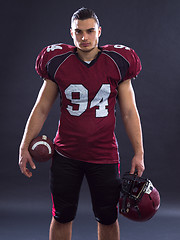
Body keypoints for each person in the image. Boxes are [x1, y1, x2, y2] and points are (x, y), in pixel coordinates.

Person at [19, 7, 145, 240]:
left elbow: (129, 112)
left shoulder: (117, 61)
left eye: (89, 31)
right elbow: (42, 107)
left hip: (104, 155)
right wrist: (24, 145)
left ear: (99, 31)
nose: (84, 37)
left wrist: (139, 152)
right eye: (79, 32)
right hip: (66, 155)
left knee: (108, 217)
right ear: (71, 33)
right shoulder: (58, 61)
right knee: (62, 215)